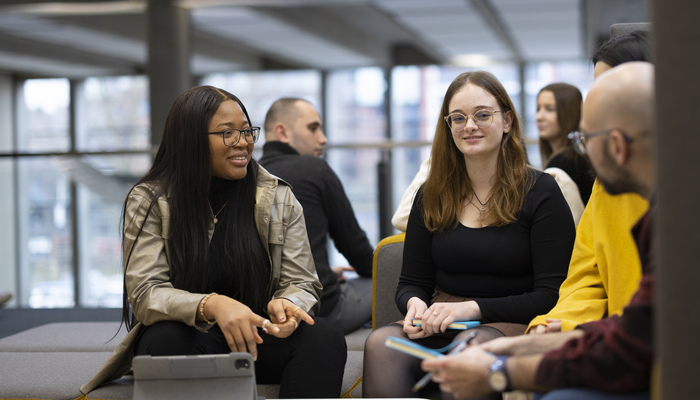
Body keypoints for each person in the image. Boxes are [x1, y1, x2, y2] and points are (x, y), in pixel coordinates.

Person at [80, 86, 347, 398]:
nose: (244, 142)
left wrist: (290, 304)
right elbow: (145, 294)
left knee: (323, 337)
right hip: (191, 337)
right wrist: (212, 305)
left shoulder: (277, 196)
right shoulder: (151, 200)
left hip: (258, 337)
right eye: (227, 133)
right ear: (191, 139)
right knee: (165, 337)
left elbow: (302, 281)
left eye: (247, 131)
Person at [422, 62, 655, 400]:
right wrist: (527, 345)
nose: (583, 153)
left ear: (617, 146)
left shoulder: (668, 227)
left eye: (585, 139)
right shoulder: (662, 214)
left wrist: (502, 371)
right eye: (458, 118)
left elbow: (630, 347)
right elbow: (632, 323)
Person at [362, 71, 576, 398]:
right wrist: (416, 305)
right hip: (441, 320)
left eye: (482, 115)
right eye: (458, 118)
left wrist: (473, 309)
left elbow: (552, 293)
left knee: (467, 351)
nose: (469, 126)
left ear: (506, 121)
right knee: (380, 344)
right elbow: (411, 283)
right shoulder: (430, 194)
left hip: (511, 320)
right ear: (448, 127)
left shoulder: (541, 191)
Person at [527, 30, 652, 334]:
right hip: (617, 342)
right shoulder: (609, 182)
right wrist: (562, 322)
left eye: (610, 88)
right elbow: (586, 276)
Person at [259, 98, 374, 335]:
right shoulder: (315, 170)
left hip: (266, 311)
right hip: (320, 306)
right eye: (313, 128)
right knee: (391, 281)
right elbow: (356, 249)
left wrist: (325, 270)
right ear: (282, 132)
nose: (323, 138)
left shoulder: (251, 177)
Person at [536, 83, 595, 204]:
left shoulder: (565, 162)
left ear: (570, 113)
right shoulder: (576, 156)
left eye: (550, 109)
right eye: (538, 109)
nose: (539, 116)